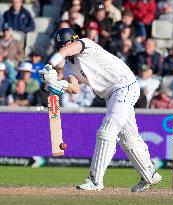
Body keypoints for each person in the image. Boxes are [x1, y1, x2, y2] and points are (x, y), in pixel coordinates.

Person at [39, 28, 162, 192]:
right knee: (127, 137)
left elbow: (68, 49)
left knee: (106, 132)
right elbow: (74, 88)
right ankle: (149, 175)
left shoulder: (86, 44)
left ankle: (95, 180)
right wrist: (59, 86)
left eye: (65, 45)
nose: (64, 49)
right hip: (111, 96)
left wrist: (49, 65)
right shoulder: (69, 67)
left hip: (124, 86)